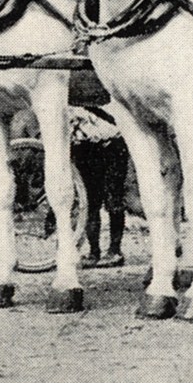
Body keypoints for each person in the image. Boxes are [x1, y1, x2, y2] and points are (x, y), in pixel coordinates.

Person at [72, 107, 128, 268]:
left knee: (113, 199)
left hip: (112, 143)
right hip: (83, 146)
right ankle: (94, 251)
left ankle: (115, 251)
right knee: (89, 202)